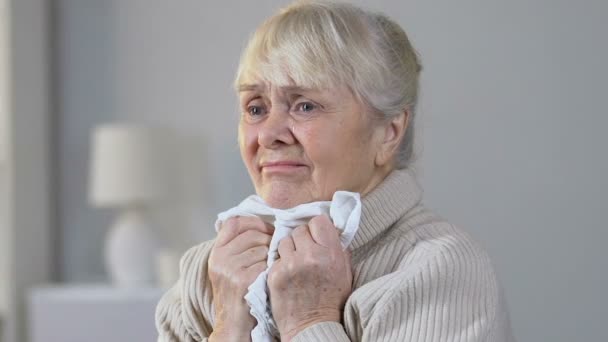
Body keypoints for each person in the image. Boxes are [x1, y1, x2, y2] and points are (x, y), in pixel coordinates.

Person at [155, 1, 514, 341]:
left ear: (388, 133)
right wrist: (228, 327)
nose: (268, 134)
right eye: (255, 108)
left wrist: (309, 323)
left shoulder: (439, 269)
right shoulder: (207, 271)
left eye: (305, 105)